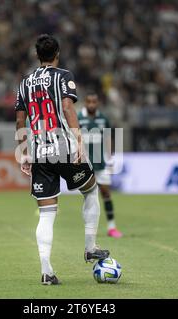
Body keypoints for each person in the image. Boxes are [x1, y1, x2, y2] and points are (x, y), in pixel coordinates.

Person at [15, 34, 109, 285]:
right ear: (57, 53)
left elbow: (20, 120)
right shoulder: (63, 76)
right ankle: (90, 248)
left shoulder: (24, 83)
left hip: (40, 153)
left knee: (46, 213)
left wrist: (24, 151)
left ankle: (46, 271)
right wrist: (79, 140)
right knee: (90, 190)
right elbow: (68, 107)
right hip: (65, 147)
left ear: (37, 56)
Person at [78, 93, 123, 238]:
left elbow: (108, 137)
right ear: (85, 102)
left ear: (97, 103)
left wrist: (110, 156)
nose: (91, 104)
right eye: (89, 101)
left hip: (100, 163)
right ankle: (89, 229)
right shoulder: (78, 118)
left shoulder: (103, 119)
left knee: (106, 194)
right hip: (84, 164)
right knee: (88, 196)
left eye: (94, 102)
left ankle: (111, 227)